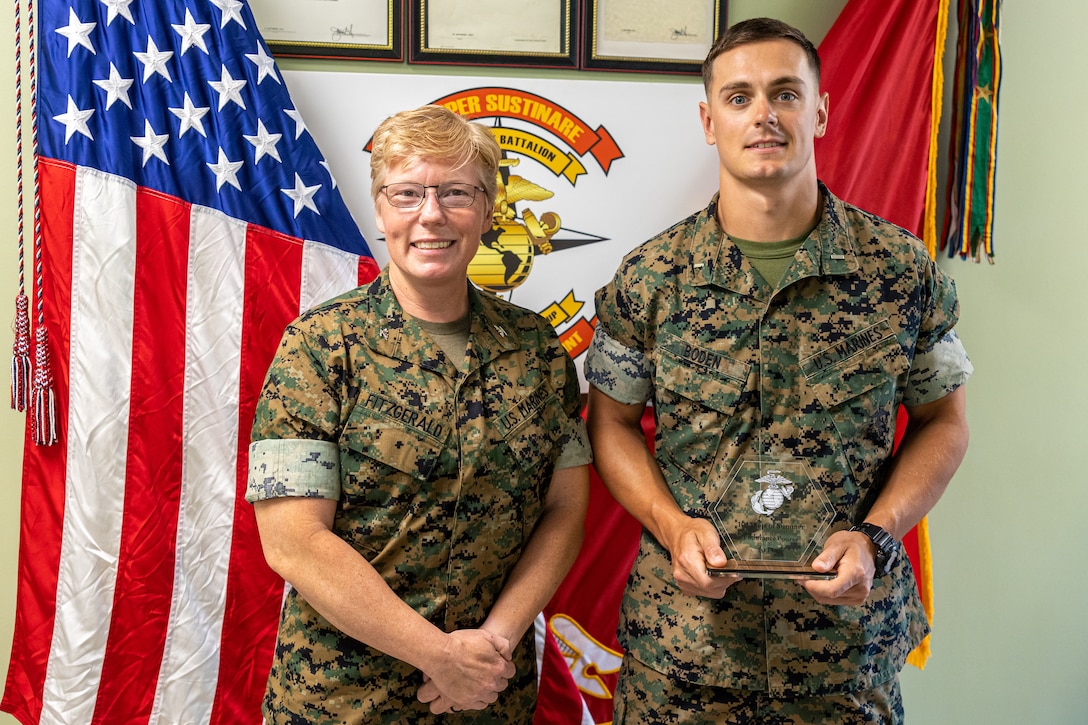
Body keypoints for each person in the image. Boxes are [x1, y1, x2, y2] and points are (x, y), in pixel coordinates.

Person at [584, 17, 972, 724]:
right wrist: (671, 526)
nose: (763, 114)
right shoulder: (651, 278)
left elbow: (945, 422)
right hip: (684, 659)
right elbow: (608, 424)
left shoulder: (900, 270)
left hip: (841, 661)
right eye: (739, 97)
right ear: (708, 121)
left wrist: (878, 533)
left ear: (820, 111)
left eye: (785, 93)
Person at [246, 104, 591, 724]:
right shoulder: (320, 346)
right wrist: (440, 657)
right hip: (342, 700)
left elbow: (565, 511)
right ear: (380, 209)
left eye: (456, 192)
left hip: (489, 694)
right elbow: (294, 541)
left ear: (488, 213)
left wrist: (493, 646)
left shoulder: (537, 351)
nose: (431, 214)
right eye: (407, 194)